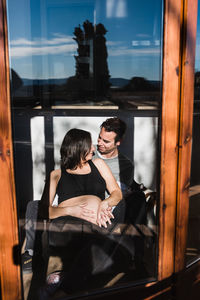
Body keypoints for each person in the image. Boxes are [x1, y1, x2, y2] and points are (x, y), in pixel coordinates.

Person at [22, 117, 145, 273]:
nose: (94, 148)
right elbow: (46, 210)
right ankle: (33, 255)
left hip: (100, 221)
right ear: (78, 149)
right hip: (69, 224)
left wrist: (104, 204)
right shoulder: (56, 174)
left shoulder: (103, 164)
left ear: (117, 143)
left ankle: (64, 277)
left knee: (130, 205)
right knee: (35, 206)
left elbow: (117, 192)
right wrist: (70, 210)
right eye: (92, 143)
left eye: (103, 141)